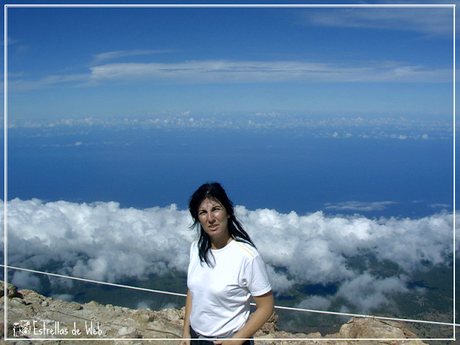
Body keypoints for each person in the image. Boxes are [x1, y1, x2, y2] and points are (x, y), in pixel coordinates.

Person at [180, 182, 274, 345]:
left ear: (228, 212)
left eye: (216, 209)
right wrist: (186, 332)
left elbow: (266, 306)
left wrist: (237, 340)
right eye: (203, 212)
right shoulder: (196, 249)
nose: (210, 219)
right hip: (196, 338)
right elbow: (194, 291)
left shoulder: (247, 256)